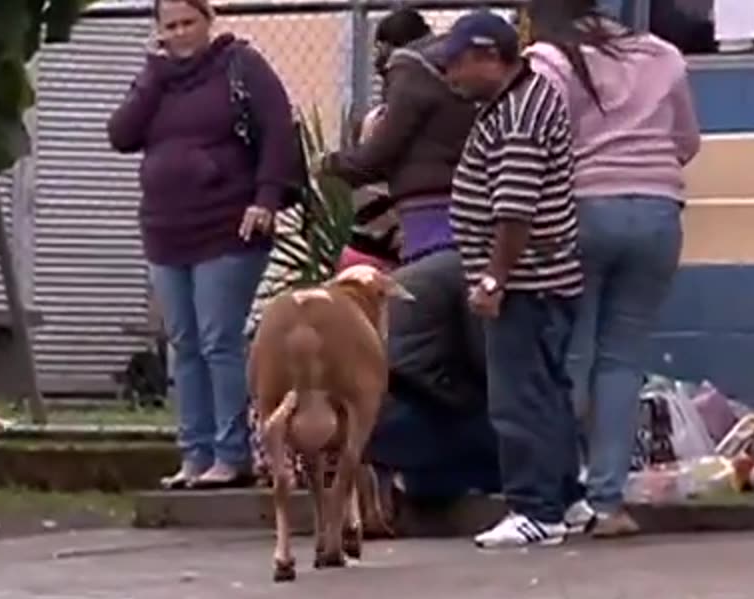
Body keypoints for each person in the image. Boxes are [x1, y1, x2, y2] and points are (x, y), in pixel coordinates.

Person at [524, 0, 701, 537]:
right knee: (622, 360)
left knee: (572, 353)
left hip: (581, 210)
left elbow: (540, 142)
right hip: (657, 211)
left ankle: (567, 493)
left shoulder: (549, 60)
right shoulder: (662, 54)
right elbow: (686, 144)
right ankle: (608, 500)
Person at [107, 0, 298, 489]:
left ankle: (231, 455)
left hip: (228, 226)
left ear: (209, 21)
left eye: (188, 22)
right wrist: (154, 74)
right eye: (169, 26)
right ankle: (195, 454)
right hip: (167, 230)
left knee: (218, 340)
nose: (180, 33)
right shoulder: (156, 79)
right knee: (184, 345)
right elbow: (122, 135)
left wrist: (267, 197)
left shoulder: (241, 66)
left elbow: (279, 129)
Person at [440, 11, 585, 548]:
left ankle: (534, 508)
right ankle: (568, 499)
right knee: (548, 391)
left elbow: (514, 209)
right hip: (545, 278)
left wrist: (493, 280)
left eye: (456, 64)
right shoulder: (524, 99)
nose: (449, 76)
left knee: (518, 397)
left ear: (488, 58)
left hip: (526, 281)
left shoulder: (519, 117)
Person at [319, 8, 477, 264]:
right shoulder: (449, 70)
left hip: (426, 211)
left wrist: (330, 164)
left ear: (386, 47)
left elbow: (378, 154)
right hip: (462, 203)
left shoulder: (411, 71)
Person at [367, 247, 500, 507]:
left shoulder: (431, 271)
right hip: (406, 404)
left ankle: (408, 479)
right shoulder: (472, 279)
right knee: (503, 442)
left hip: (377, 411)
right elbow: (485, 360)